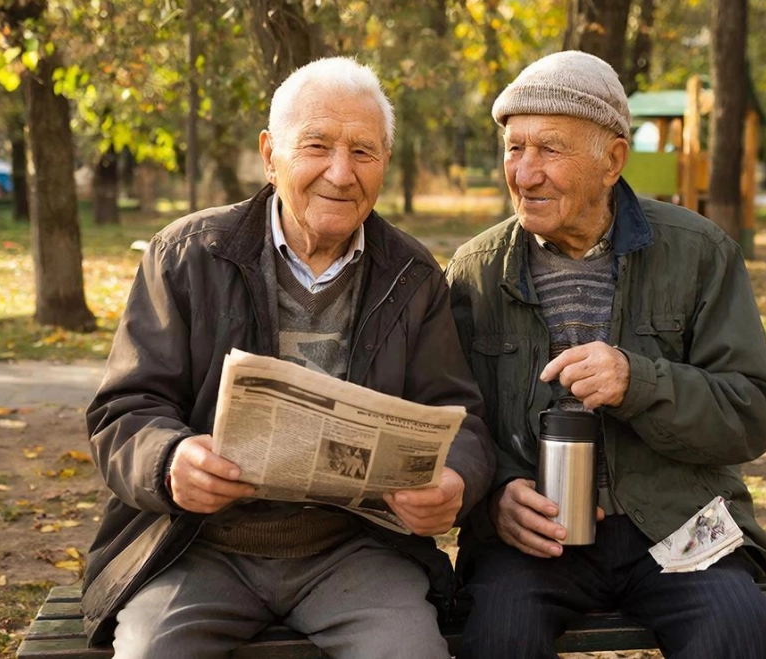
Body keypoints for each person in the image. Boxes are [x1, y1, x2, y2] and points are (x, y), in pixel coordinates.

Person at [83, 56, 494, 659]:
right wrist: (172, 460)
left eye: (363, 151)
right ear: (270, 154)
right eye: (318, 145)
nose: (340, 172)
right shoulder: (188, 255)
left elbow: (459, 415)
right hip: (199, 544)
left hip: (355, 549)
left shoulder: (412, 276)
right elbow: (123, 409)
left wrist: (454, 480)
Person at [445, 50, 766, 659]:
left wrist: (639, 381)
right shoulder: (474, 272)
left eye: (549, 150)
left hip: (676, 524)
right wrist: (497, 497)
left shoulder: (699, 251)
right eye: (514, 148)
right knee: (499, 638)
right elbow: (453, 420)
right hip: (536, 539)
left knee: (736, 636)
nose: (524, 174)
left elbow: (753, 412)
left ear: (613, 160)